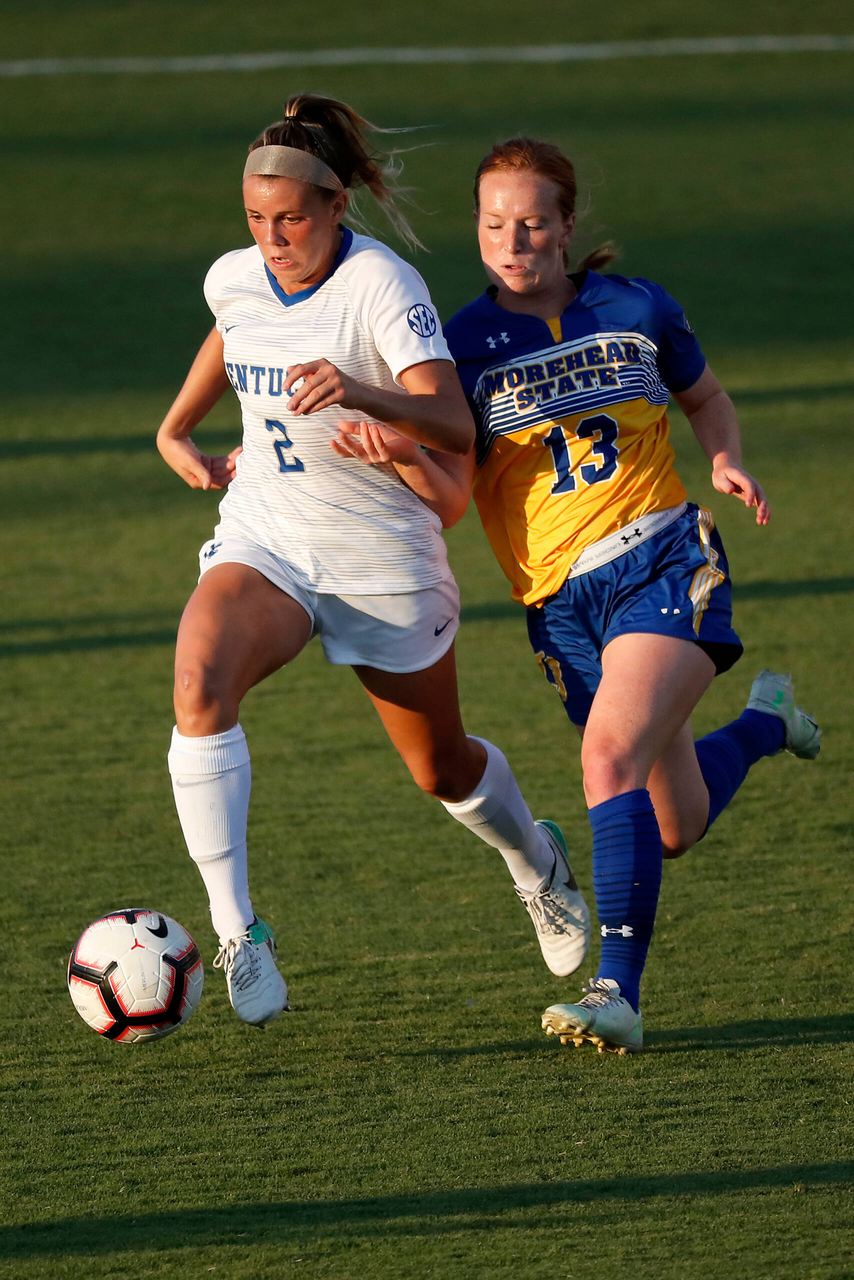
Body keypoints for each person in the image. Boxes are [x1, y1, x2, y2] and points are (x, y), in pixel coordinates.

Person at [342, 136, 821, 1055]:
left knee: (607, 763)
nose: (512, 242)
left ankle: (618, 992)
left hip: (662, 559)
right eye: (494, 225)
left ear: (566, 226)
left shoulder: (638, 306)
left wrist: (725, 458)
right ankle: (769, 722)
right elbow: (451, 497)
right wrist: (396, 451)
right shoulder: (456, 348)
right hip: (561, 610)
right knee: (672, 823)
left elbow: (705, 398)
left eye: (531, 224)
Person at [156, 99, 591, 1029]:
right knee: (197, 682)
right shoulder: (236, 276)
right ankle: (238, 932)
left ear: (335, 206)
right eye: (256, 220)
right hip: (269, 536)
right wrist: (176, 426)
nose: (273, 240)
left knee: (442, 769)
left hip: (380, 554)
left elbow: (454, 425)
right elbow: (234, 329)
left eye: (292, 220)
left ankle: (535, 861)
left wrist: (359, 390)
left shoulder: (382, 286)